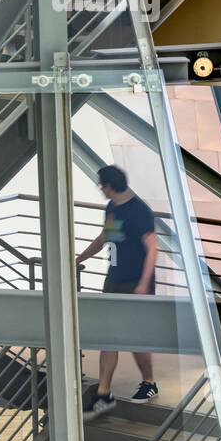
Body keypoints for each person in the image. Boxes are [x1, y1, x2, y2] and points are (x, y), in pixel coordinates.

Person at [78, 165, 159, 418]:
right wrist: (79, 258)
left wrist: (143, 285)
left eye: (101, 184)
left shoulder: (139, 211)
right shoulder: (112, 207)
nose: (100, 188)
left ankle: (149, 383)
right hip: (113, 281)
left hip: (135, 284)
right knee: (108, 339)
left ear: (109, 185)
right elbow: (106, 238)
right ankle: (104, 395)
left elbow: (153, 248)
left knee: (135, 339)